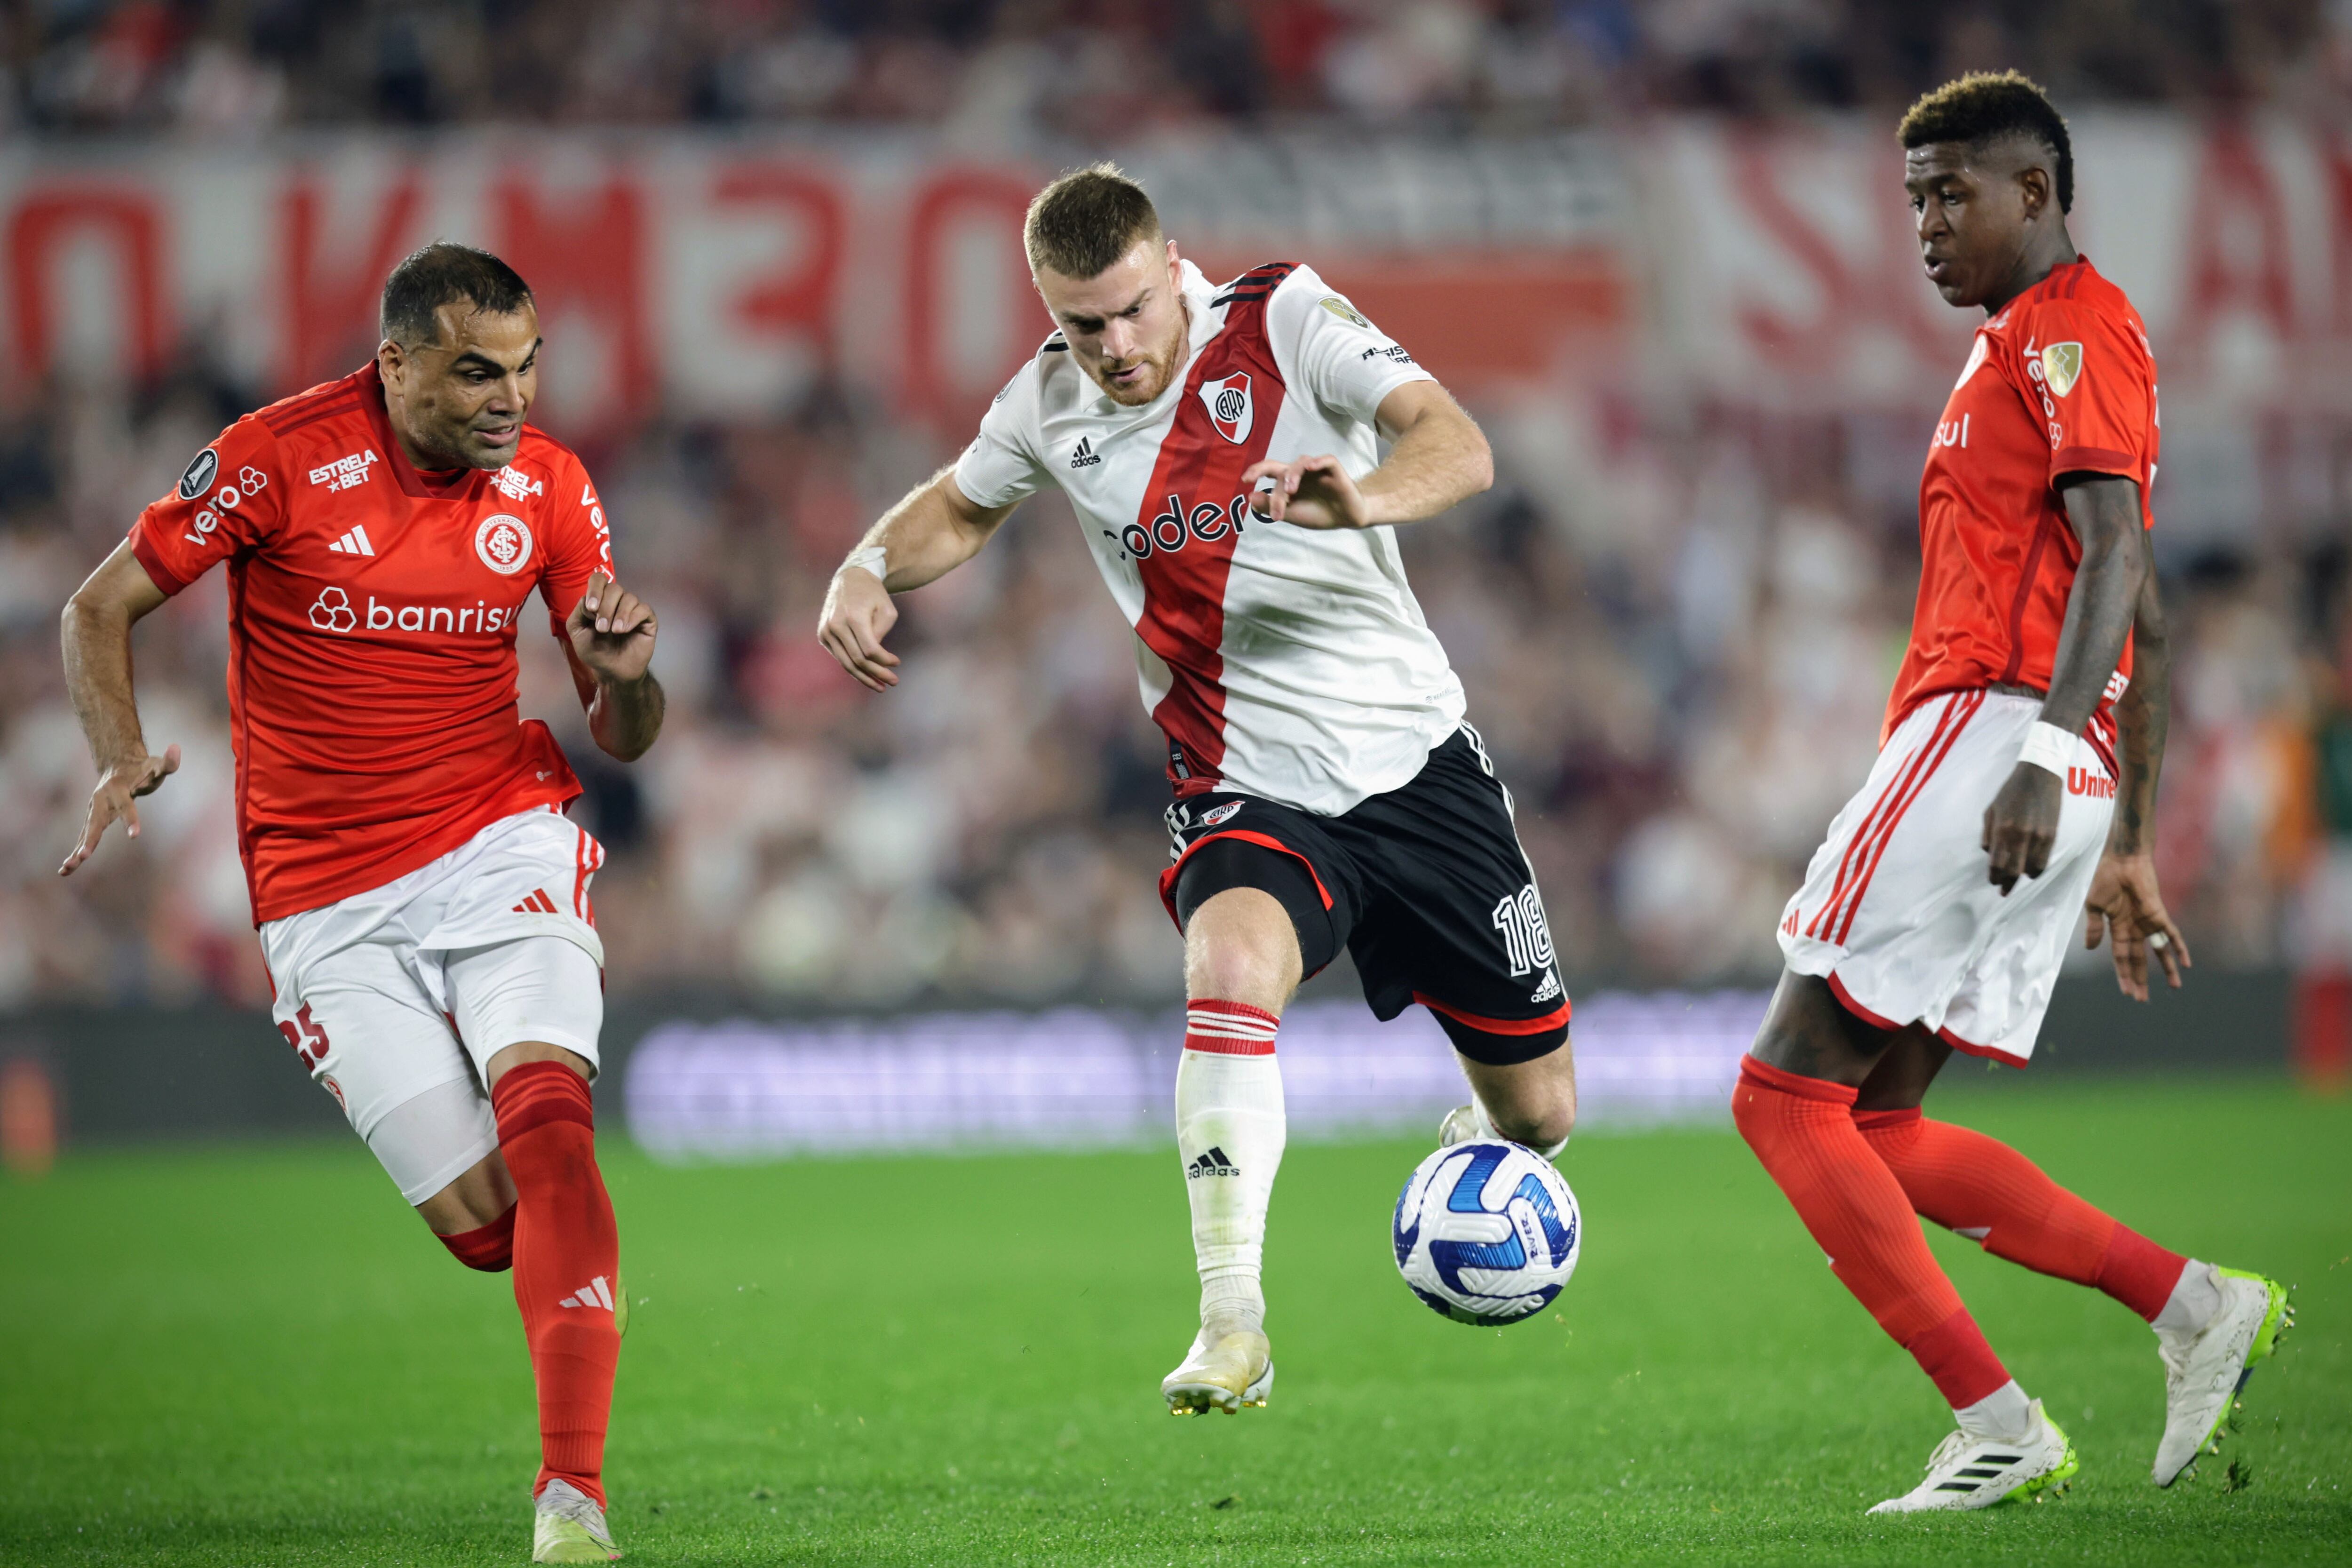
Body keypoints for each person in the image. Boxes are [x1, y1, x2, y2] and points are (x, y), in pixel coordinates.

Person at [817, 165, 1576, 1416]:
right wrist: (863, 565)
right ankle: (1235, 1321)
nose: (1113, 347)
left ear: (1173, 269)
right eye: (1080, 324)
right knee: (1227, 969)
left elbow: (1461, 445)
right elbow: (957, 509)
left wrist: (1363, 498)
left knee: (1540, 1115)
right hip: (1243, 781)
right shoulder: (1045, 407)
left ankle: (1473, 1160)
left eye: (1129, 311)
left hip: (1418, 765)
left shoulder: (1283, 318)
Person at [1733, 73, 2291, 1514]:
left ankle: (1999, 1426)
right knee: (1876, 1127)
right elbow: (2142, 607)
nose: (1924, 225)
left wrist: (2046, 757)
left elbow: (2115, 560)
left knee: (1782, 1099)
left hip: (1995, 740)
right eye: (1913, 197)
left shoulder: (2071, 331)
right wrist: (2132, 837)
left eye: (1951, 194)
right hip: (2052, 768)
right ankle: (2189, 1306)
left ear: (2034, 193)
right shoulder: (2025, 349)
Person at [59, 243, 660, 1563]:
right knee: (494, 1235)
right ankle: (560, 1320)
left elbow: (625, 734)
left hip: (500, 838)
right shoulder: (277, 457)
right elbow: (98, 606)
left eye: (525, 367)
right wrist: (117, 754)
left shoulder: (553, 489)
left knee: (552, 1122)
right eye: (473, 371)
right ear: (394, 364)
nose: (510, 399)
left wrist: (621, 682)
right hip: (324, 900)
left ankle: (573, 1496)